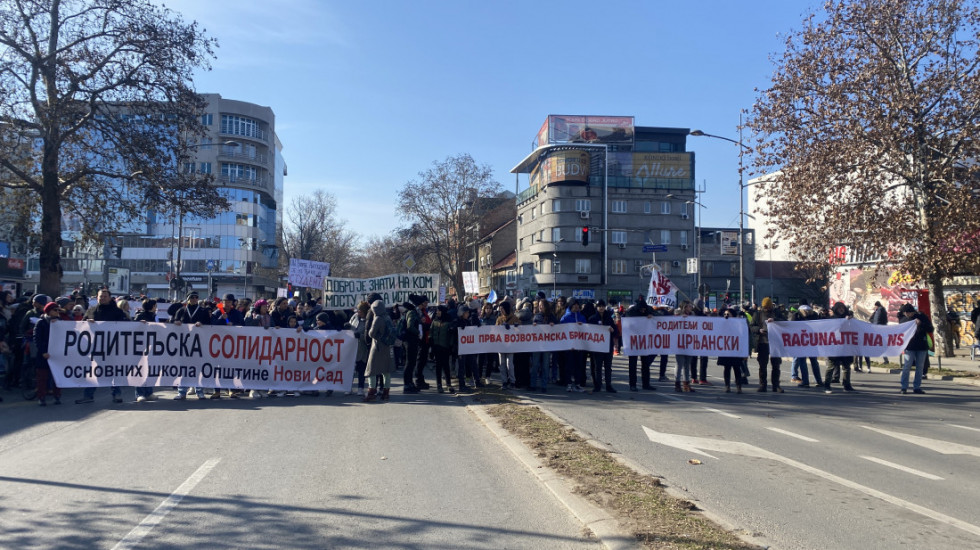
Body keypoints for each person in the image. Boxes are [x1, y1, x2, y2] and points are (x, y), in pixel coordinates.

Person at [74, 289, 128, 404]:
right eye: (100, 296)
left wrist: (141, 324)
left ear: (110, 298)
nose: (102, 298)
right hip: (95, 347)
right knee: (93, 372)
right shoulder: (91, 310)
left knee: (112, 371)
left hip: (112, 348)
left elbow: (127, 326)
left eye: (104, 296)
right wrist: (88, 323)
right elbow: (82, 326)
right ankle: (88, 395)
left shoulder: (117, 312)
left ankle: (116, 394)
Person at [172, 291, 212, 400]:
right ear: (188, 298)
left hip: (198, 343)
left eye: (196, 297)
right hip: (183, 344)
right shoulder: (181, 310)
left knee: (198, 368)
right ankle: (182, 391)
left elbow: (209, 324)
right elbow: (172, 322)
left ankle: (199, 390)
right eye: (192, 297)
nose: (194, 299)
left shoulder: (203, 311)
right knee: (183, 368)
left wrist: (202, 324)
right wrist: (176, 322)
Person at [750, 297, 785, 392]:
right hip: (762, 342)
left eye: (768, 307)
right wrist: (758, 330)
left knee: (776, 365)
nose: (766, 309)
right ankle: (763, 385)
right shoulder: (757, 314)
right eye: (765, 307)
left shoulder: (776, 313)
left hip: (775, 342)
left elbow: (784, 321)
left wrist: (775, 320)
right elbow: (752, 326)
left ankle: (776, 385)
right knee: (762, 365)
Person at [364, 299, 396, 402]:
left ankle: (371, 393)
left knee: (371, 370)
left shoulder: (377, 318)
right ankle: (386, 393)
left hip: (377, 347)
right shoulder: (387, 317)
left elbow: (371, 333)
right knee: (386, 371)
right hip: (387, 346)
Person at [900, 303, 933, 394]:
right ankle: (904, 387)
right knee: (907, 366)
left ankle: (917, 387)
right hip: (909, 347)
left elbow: (930, 329)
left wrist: (921, 324)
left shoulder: (921, 317)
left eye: (908, 313)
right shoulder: (903, 320)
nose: (907, 315)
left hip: (921, 346)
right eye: (905, 313)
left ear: (912, 312)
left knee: (920, 367)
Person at [33, 302, 62, 406]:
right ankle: (41, 397)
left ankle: (57, 396)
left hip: (57, 354)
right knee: (42, 377)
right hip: (44, 355)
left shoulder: (60, 322)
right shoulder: (41, 322)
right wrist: (43, 352)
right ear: (49, 311)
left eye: (58, 310)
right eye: (55, 310)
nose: (57, 312)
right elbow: (37, 339)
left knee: (57, 377)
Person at [624, 298, 656, 391]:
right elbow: (627, 322)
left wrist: (651, 315)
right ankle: (632, 384)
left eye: (644, 309)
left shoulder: (648, 309)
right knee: (633, 364)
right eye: (641, 310)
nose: (643, 311)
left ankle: (646, 384)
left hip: (644, 341)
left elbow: (657, 315)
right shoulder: (631, 312)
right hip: (633, 341)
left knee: (645, 364)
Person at [824, 302, 856, 394]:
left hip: (846, 346)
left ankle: (847, 385)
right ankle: (827, 386)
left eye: (843, 308)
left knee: (846, 367)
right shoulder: (831, 319)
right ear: (835, 309)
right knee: (831, 367)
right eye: (839, 308)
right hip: (834, 346)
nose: (841, 310)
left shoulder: (849, 319)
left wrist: (850, 321)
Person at [133, 299, 160, 402]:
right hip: (140, 347)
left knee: (150, 370)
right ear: (152, 306)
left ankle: (149, 392)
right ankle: (139, 393)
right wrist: (139, 324)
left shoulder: (155, 316)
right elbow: (133, 328)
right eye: (155, 305)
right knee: (140, 370)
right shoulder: (140, 316)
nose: (156, 307)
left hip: (152, 346)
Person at [589, 299, 618, 393]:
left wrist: (612, 330)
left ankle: (608, 385)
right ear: (596, 307)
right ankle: (598, 385)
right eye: (599, 306)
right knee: (598, 367)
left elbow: (616, 332)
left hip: (608, 346)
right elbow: (588, 331)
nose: (601, 308)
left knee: (608, 366)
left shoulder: (609, 318)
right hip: (597, 347)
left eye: (602, 306)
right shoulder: (592, 318)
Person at [559, 298, 588, 393]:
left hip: (579, 346)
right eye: (574, 305)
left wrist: (582, 325)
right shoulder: (565, 318)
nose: (576, 306)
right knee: (569, 365)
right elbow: (561, 330)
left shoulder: (582, 317)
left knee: (578, 365)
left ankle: (578, 384)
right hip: (569, 346)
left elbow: (587, 330)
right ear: (571, 306)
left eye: (577, 305)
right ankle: (568, 383)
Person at [530, 297, 557, 392]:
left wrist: (553, 326)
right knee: (535, 365)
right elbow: (532, 330)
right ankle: (533, 384)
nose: (540, 307)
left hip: (547, 345)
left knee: (545, 366)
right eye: (539, 305)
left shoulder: (551, 316)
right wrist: (533, 325)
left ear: (546, 306)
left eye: (542, 305)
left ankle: (544, 385)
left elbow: (558, 328)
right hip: (537, 344)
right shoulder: (536, 316)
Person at [430, 305, 455, 393]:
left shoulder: (448, 322)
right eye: (437, 311)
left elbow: (451, 335)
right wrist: (431, 345)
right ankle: (439, 385)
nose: (437, 312)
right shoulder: (435, 321)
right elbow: (431, 333)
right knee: (438, 366)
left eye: (439, 311)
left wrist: (451, 346)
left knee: (446, 366)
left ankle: (449, 384)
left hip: (445, 347)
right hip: (436, 347)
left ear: (443, 312)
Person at [496, 300, 521, 389]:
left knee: (509, 364)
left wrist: (516, 327)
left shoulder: (514, 318)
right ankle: (504, 381)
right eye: (500, 309)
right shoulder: (499, 319)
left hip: (510, 345)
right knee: (502, 364)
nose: (501, 310)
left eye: (502, 308)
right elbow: (495, 331)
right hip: (501, 344)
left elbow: (520, 330)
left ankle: (512, 381)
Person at [400, 296, 422, 394]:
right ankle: (407, 385)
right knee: (410, 362)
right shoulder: (412, 313)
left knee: (411, 362)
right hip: (410, 340)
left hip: (410, 340)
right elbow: (410, 326)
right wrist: (418, 333)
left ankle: (409, 383)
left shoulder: (410, 312)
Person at [348, 301, 370, 396]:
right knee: (350, 369)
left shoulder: (368, 321)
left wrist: (360, 336)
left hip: (362, 349)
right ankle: (348, 387)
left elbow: (369, 335)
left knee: (361, 369)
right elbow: (350, 326)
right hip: (352, 348)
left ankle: (360, 388)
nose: (358, 313)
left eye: (360, 311)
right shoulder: (354, 317)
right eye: (358, 311)